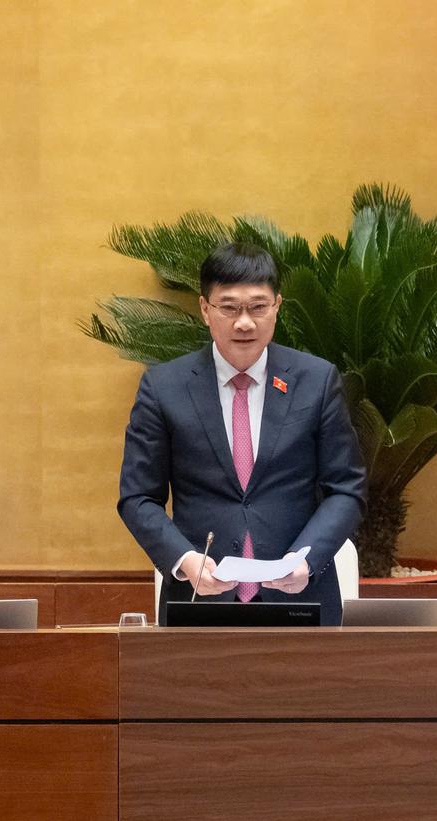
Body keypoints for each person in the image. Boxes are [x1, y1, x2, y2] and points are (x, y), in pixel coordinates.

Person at [117, 242, 366, 625]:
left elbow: (346, 487)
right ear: (205, 309)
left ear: (277, 306)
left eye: (258, 307)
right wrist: (185, 559)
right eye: (229, 308)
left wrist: (307, 558)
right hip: (199, 602)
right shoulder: (163, 388)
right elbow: (137, 497)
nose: (244, 322)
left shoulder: (316, 381)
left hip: (301, 600)